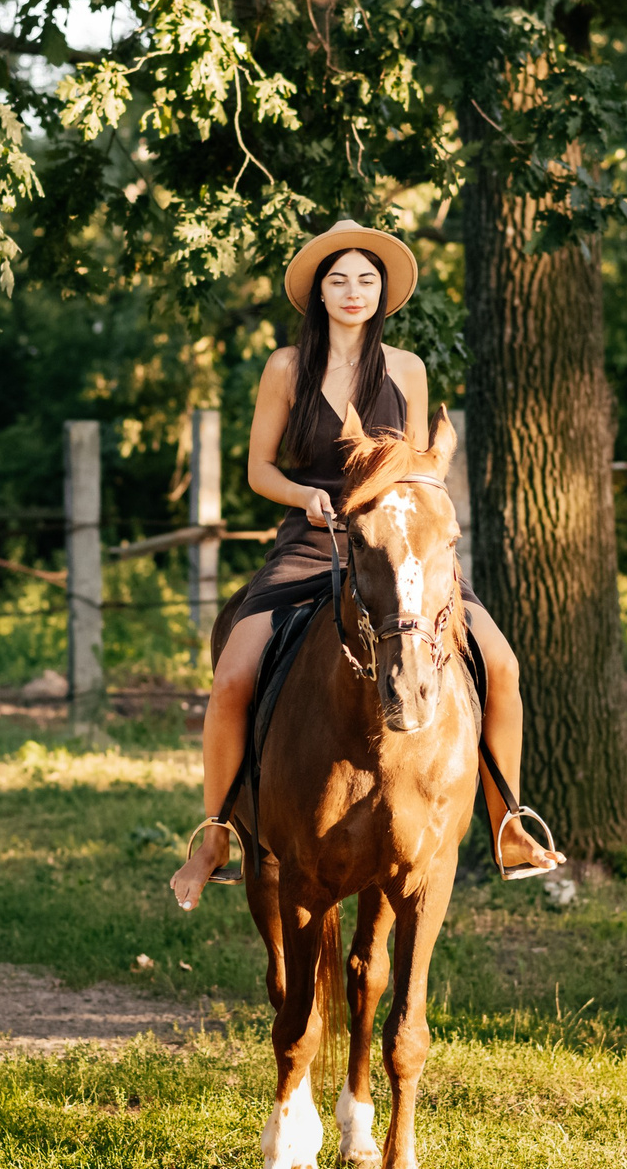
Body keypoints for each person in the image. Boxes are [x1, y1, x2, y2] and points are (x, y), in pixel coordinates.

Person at [170, 219, 566, 909]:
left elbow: (414, 471)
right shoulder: (285, 368)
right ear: (319, 293)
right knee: (233, 675)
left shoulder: (407, 369)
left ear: (382, 292)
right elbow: (259, 469)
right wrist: (307, 497)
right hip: (310, 540)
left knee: (501, 663)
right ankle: (215, 835)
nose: (353, 291)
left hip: (395, 549)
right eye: (339, 280)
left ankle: (508, 823)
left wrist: (412, 526)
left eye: (366, 280)